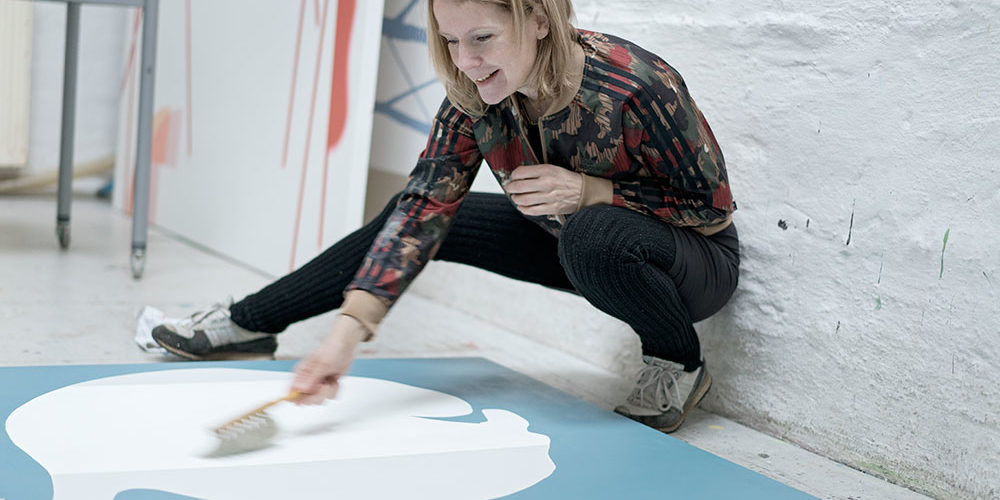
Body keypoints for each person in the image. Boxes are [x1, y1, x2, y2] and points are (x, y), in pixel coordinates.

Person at [152, 0, 739, 434]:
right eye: (451, 40)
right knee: (421, 211)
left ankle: (677, 362)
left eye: (482, 37)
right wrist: (344, 337)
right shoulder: (472, 93)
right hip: (570, 242)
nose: (466, 61)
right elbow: (423, 209)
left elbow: (710, 208)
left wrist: (591, 191)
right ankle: (250, 323)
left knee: (593, 232)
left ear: (539, 19)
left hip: (688, 261)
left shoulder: (635, 84)